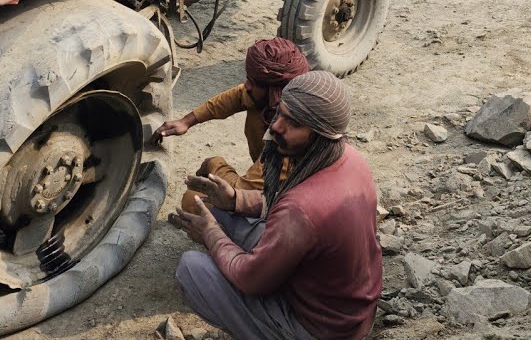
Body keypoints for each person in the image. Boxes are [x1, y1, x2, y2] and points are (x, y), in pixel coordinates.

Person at [170, 71, 382, 340]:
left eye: (293, 123)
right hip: (351, 312)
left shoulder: (301, 209)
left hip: (320, 330)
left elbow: (250, 279)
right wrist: (237, 200)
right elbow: (289, 209)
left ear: (319, 135)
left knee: (192, 268)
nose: (276, 127)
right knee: (218, 211)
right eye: (280, 114)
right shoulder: (350, 159)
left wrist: (211, 235)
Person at [152, 38, 309, 211]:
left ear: (275, 92)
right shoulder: (271, 101)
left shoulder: (289, 138)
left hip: (286, 203)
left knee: (191, 201)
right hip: (266, 182)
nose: (246, 85)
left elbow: (242, 192)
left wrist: (214, 164)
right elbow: (236, 96)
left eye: (254, 82)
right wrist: (186, 121)